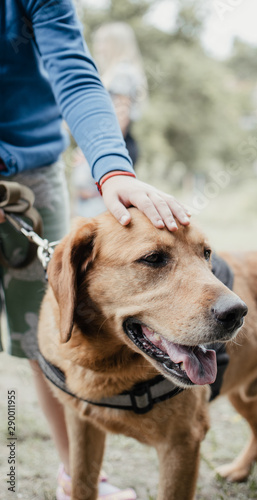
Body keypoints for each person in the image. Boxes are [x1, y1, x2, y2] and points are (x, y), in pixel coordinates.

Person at [0, 1, 190, 499]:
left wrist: (113, 168)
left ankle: (76, 477)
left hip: (33, 169)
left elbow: (75, 73)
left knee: (50, 332)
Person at [72, 22, 147, 217]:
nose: (98, 47)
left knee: (97, 207)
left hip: (111, 145)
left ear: (114, 44)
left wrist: (93, 149)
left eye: (102, 42)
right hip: (113, 144)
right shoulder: (121, 71)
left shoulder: (122, 72)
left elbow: (120, 117)